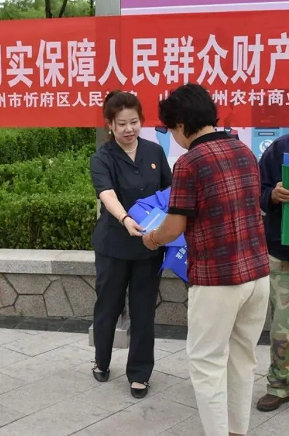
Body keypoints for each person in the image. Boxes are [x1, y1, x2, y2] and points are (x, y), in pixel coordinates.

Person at [142, 83, 270, 436]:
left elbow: (173, 227)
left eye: (171, 129)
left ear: (182, 124)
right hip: (257, 275)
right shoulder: (244, 151)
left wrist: (151, 238)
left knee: (206, 363)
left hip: (217, 280)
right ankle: (236, 431)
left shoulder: (189, 162)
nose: (174, 138)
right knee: (242, 360)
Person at [90, 90, 172, 399]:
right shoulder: (102, 157)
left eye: (134, 122)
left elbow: (169, 192)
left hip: (149, 246)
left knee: (143, 310)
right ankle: (101, 359)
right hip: (114, 244)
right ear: (110, 124)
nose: (128, 129)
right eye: (122, 123)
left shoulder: (154, 152)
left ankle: (139, 373)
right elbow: (106, 193)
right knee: (108, 306)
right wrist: (125, 218)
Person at [256, 134, 289, 412]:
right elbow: (257, 192)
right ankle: (279, 384)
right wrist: (272, 195)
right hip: (282, 253)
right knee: (282, 327)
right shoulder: (279, 148)